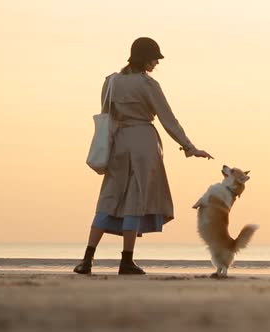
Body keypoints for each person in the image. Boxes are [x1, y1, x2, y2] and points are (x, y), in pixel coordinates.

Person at [74, 37, 213, 275]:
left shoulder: (110, 82)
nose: (156, 64)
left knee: (108, 198)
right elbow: (168, 119)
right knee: (134, 201)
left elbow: (107, 115)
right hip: (144, 143)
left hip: (118, 142)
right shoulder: (148, 84)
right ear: (145, 58)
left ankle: (86, 259)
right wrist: (189, 147)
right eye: (154, 59)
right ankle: (126, 261)